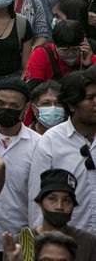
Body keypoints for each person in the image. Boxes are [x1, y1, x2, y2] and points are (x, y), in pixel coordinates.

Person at [28, 72, 96, 233]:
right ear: (72, 105)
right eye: (90, 98)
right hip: (66, 243)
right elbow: (37, 198)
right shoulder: (50, 142)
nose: (95, 103)